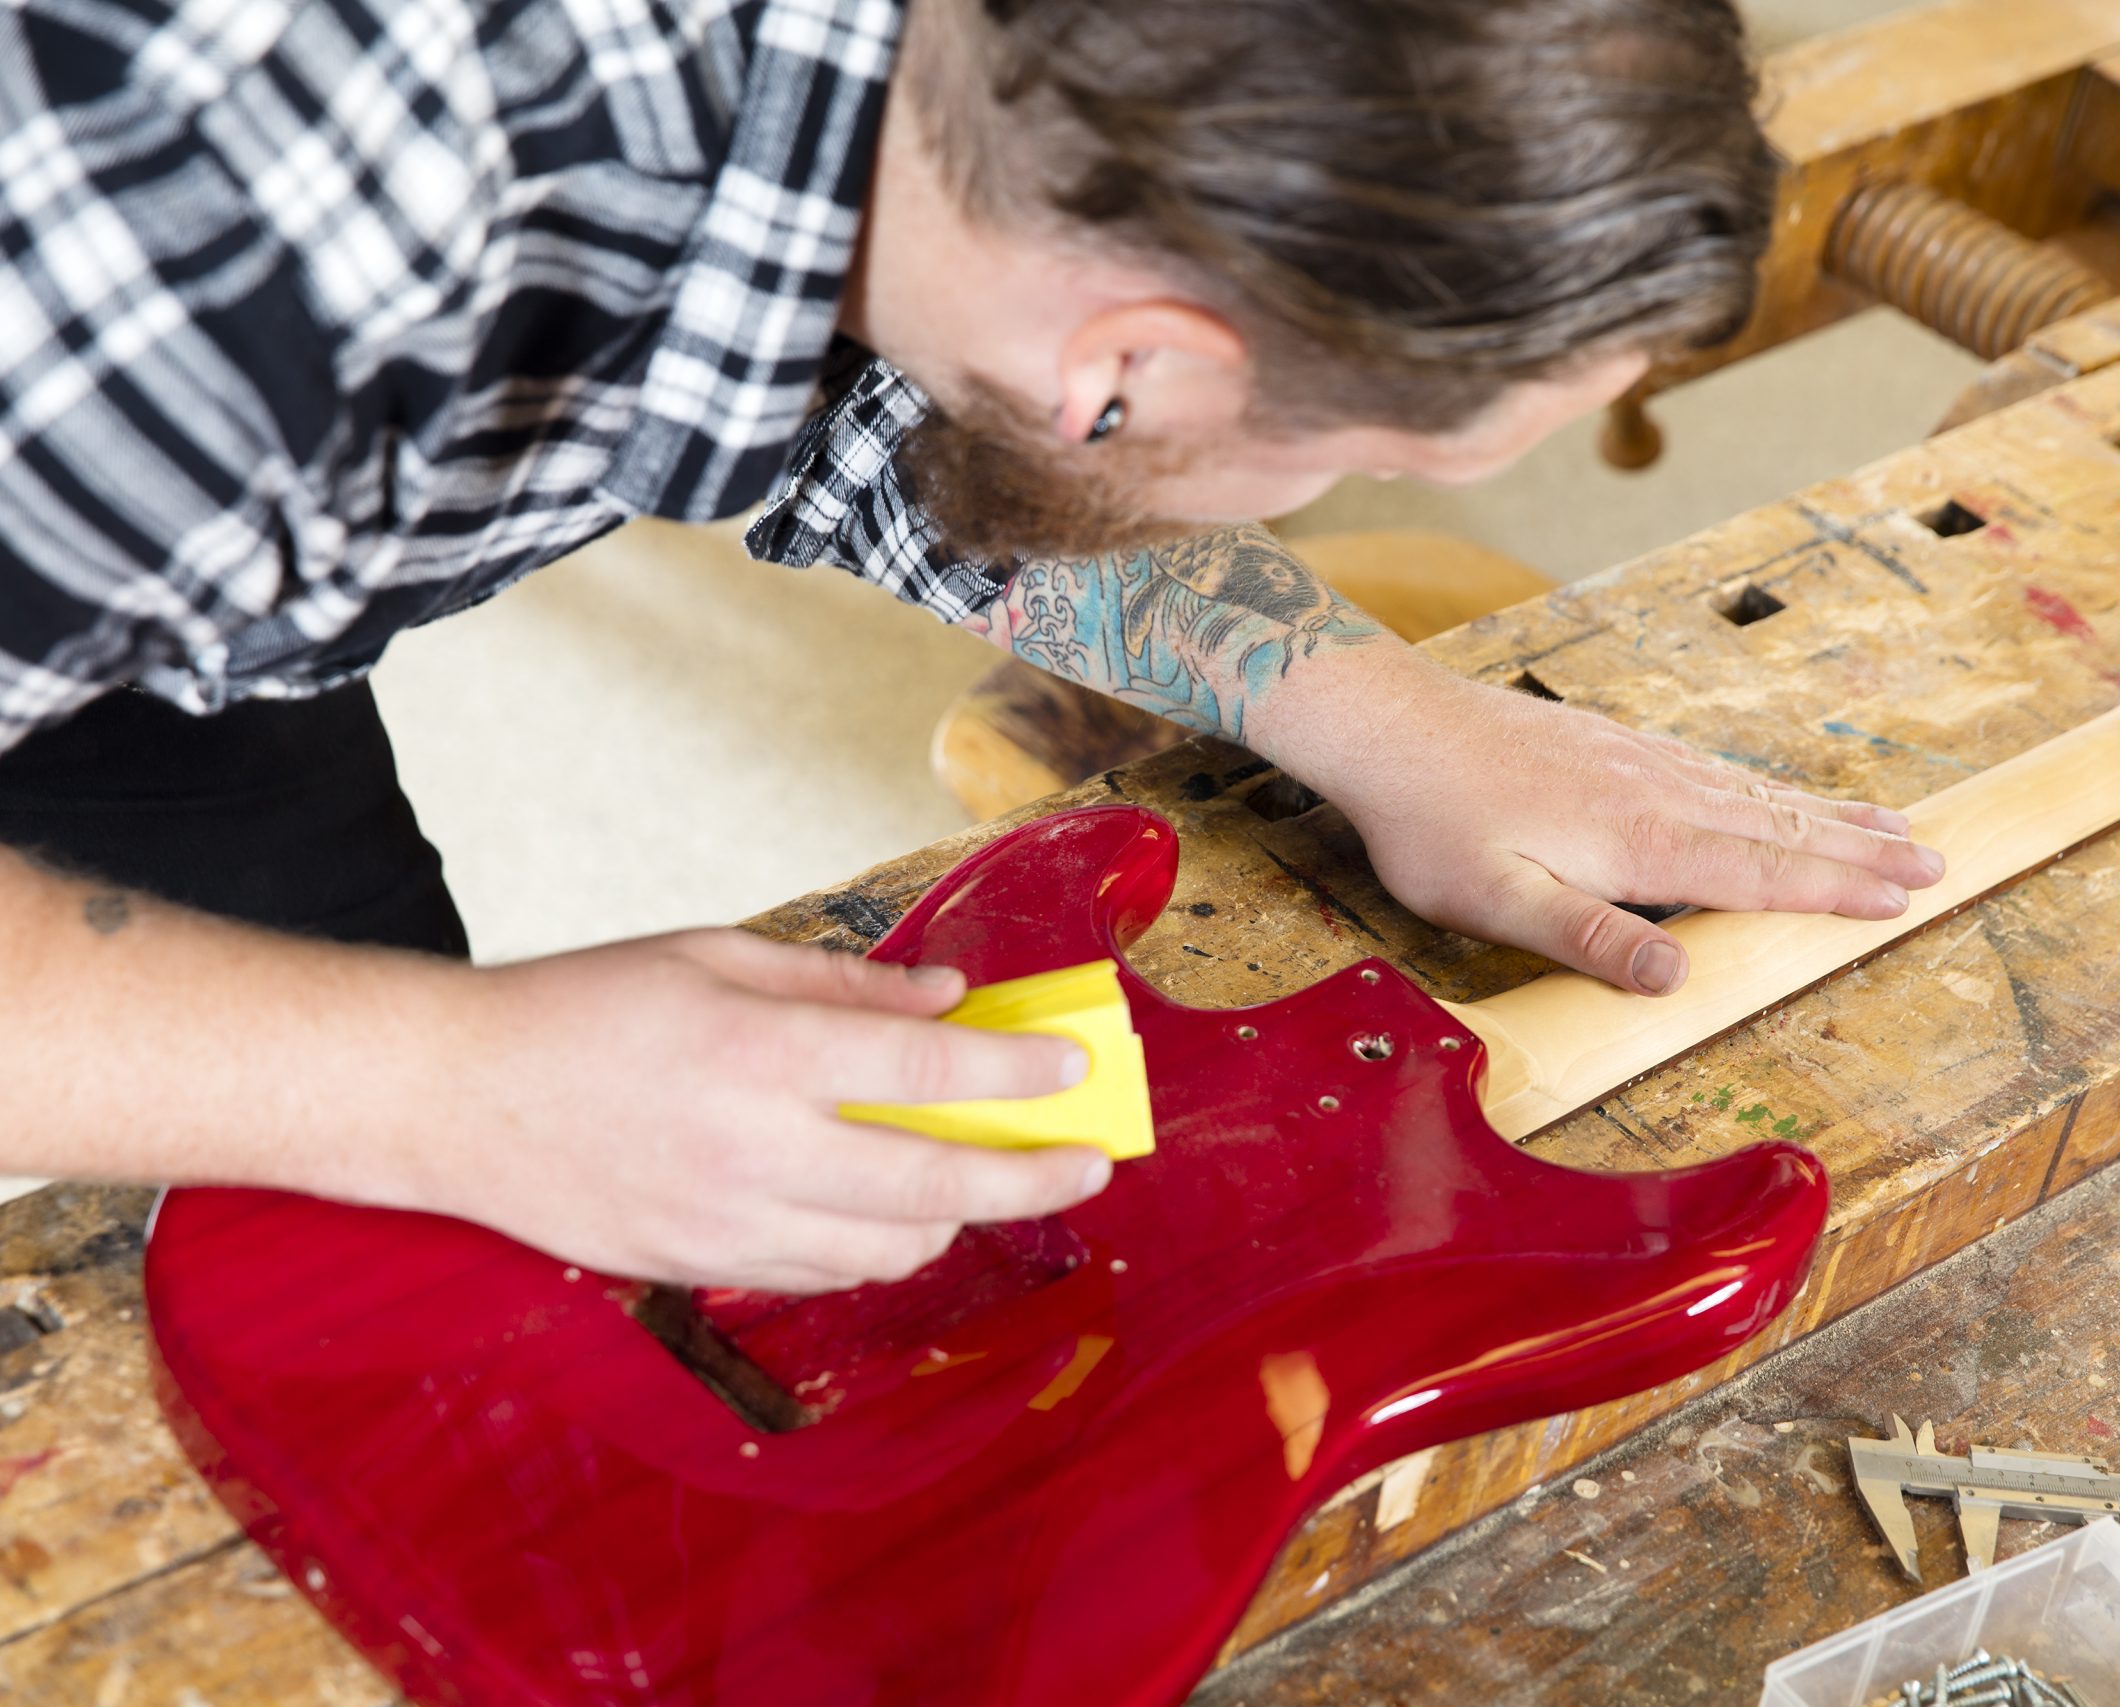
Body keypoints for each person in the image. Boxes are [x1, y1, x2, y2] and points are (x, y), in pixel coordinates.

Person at [0, 0, 1943, 1292]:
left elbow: (888, 389)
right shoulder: (216, 266)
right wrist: (437, 1082)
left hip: (176, 592)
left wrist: (1378, 710)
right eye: (1350, 458)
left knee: (319, 1201)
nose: (1328, 499)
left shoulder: (969, 105)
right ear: (1125, 365)